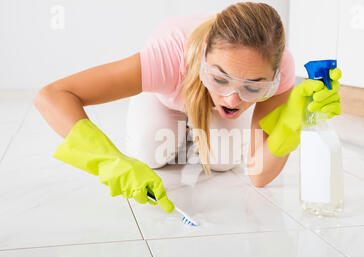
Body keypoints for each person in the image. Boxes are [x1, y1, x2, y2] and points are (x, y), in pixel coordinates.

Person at [34, 2, 342, 214]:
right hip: (164, 96)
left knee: (222, 160)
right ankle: (176, 125)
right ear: (204, 55)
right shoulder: (169, 54)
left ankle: (197, 126)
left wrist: (289, 127)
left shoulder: (281, 68)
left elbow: (259, 175)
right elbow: (52, 94)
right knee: (151, 151)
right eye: (220, 78)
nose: (233, 100)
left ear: (274, 76)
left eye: (252, 87)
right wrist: (109, 161)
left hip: (210, 108)